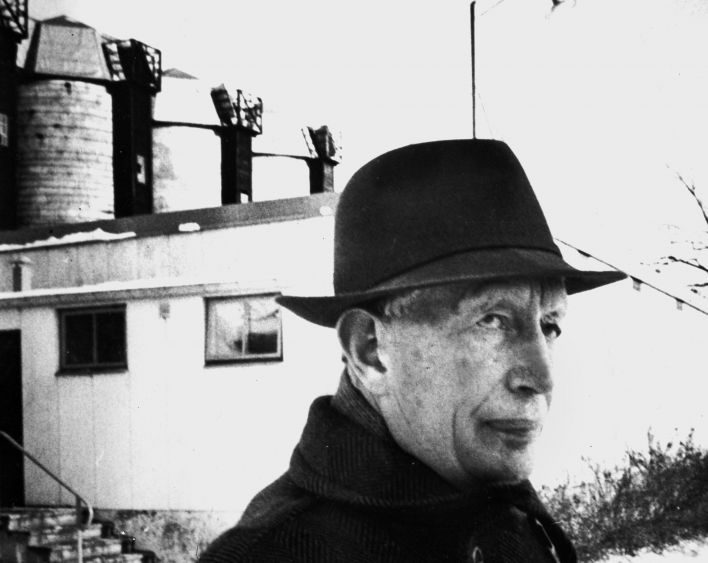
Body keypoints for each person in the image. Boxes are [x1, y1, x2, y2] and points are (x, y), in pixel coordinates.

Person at [199, 139, 626, 562]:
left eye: (550, 326)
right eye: (492, 320)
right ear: (370, 350)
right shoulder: (273, 554)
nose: (542, 379)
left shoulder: (513, 518)